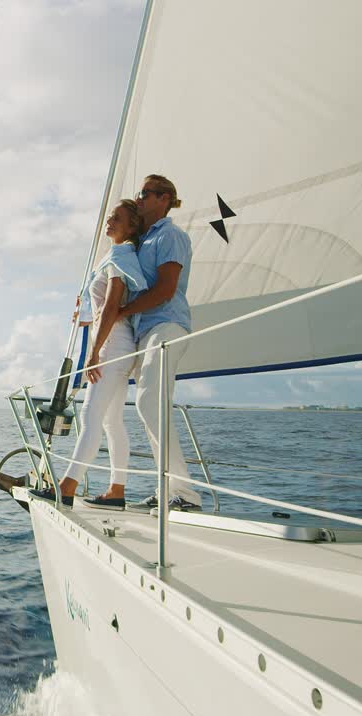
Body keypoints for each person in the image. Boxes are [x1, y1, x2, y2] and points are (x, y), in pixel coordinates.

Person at [32, 200, 147, 508]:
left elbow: (112, 307)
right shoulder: (117, 256)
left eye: (117, 218)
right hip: (118, 343)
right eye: (110, 216)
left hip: (113, 345)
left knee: (91, 415)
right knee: (111, 421)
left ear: (131, 227)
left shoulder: (121, 256)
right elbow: (104, 309)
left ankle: (67, 486)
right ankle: (116, 490)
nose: (109, 221)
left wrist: (94, 353)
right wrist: (86, 318)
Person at [116, 174, 203, 511]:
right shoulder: (141, 240)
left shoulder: (170, 235)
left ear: (164, 198)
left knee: (149, 402)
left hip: (167, 326)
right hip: (145, 332)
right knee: (149, 404)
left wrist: (122, 310)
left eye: (144, 194)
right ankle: (169, 489)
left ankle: (184, 494)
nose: (138, 199)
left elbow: (166, 290)